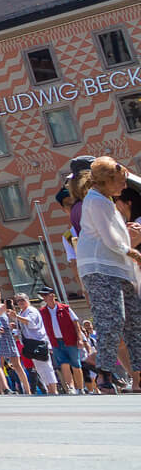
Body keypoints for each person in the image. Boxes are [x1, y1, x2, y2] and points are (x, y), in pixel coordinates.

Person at [74, 157, 141, 390]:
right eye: (121, 182)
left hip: (119, 267)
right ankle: (104, 372)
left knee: (134, 321)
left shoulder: (106, 201)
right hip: (99, 267)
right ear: (107, 181)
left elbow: (114, 235)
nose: (124, 187)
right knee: (113, 320)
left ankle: (138, 377)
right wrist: (134, 252)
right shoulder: (95, 201)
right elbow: (110, 239)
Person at [37, 287, 85, 393]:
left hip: (70, 340)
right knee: (63, 364)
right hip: (56, 342)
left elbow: (76, 323)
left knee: (76, 364)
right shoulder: (42, 312)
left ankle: (81, 388)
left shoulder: (65, 308)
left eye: (46, 295)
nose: (44, 297)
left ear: (52, 295)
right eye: (43, 296)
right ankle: (70, 387)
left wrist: (80, 338)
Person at [9, 294, 58, 394]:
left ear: (27, 299)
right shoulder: (22, 312)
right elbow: (24, 326)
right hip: (30, 344)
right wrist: (16, 325)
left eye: (22, 300)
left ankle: (53, 390)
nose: (20, 302)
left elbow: (30, 322)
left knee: (46, 367)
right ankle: (49, 389)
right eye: (18, 301)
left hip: (38, 342)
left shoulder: (31, 310)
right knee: (39, 368)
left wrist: (16, 317)